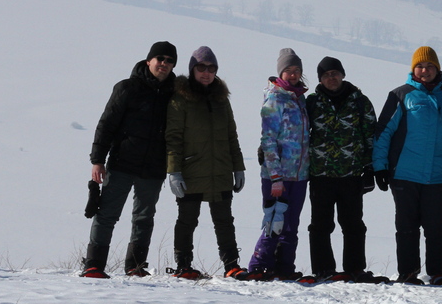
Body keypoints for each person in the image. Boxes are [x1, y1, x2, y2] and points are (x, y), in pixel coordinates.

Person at [82, 41, 178, 279]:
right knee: (106, 214)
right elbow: (107, 124)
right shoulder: (127, 88)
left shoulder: (175, 94)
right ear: (149, 61)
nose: (164, 64)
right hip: (122, 162)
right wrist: (97, 160)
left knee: (144, 218)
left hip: (154, 167)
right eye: (160, 59)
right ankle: (94, 265)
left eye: (169, 60)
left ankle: (135, 266)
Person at [373, 46, 442, 286]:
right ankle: (409, 273)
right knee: (407, 226)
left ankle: (437, 273)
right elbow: (383, 132)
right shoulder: (400, 95)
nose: (425, 71)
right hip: (404, 172)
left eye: (430, 66)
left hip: (438, 174)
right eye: (420, 66)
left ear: (437, 69)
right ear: (413, 69)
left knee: (436, 226)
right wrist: (379, 166)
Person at [164, 46, 248, 280]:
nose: (206, 72)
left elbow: (232, 135)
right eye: (201, 67)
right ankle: (183, 265)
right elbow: (173, 138)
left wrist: (238, 166)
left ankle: (232, 265)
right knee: (187, 220)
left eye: (211, 68)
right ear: (192, 69)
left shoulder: (222, 99)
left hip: (220, 169)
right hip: (191, 171)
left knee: (224, 221)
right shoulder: (180, 99)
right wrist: (174, 171)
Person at [303, 56, 378, 283]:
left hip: (352, 174)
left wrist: (370, 169)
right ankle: (323, 269)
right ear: (320, 79)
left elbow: (371, 135)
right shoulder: (312, 102)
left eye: (334, 73)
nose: (331, 78)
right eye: (326, 75)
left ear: (342, 74)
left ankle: (355, 268)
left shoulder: (359, 101)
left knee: (353, 224)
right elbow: (297, 132)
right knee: (320, 225)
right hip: (320, 174)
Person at [244, 48, 310, 281]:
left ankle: (284, 266)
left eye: (297, 70)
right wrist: (275, 176)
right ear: (280, 72)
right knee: (275, 220)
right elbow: (268, 140)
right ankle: (260, 265)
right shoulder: (275, 98)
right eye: (288, 70)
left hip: (299, 174)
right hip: (278, 175)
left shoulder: (299, 98)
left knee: (291, 223)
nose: (293, 75)